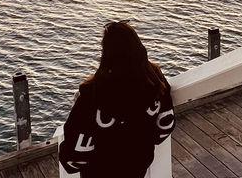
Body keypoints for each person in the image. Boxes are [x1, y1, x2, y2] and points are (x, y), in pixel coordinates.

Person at [59, 20, 175, 178]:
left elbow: (73, 154)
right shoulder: (154, 80)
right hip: (137, 166)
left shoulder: (92, 96)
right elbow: (165, 125)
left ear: (106, 54)